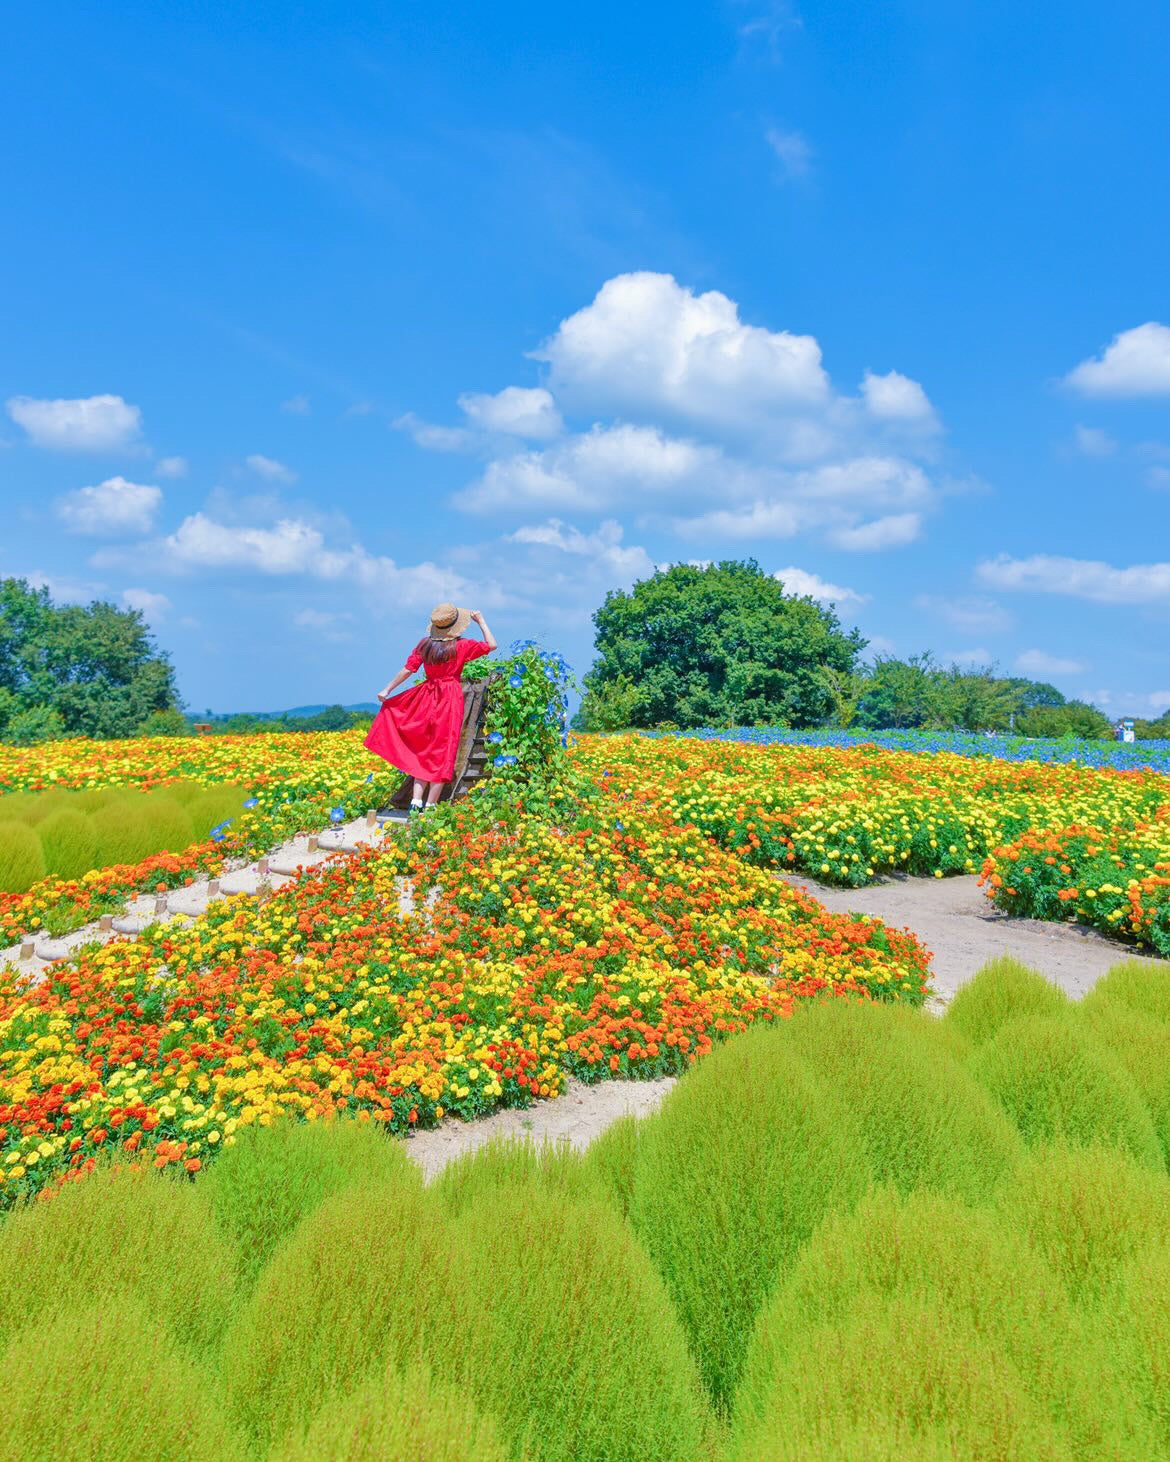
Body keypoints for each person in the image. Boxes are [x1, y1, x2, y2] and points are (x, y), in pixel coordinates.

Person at [365, 603, 497, 812]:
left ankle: (416, 801)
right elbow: (491, 645)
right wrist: (481, 621)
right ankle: (431, 804)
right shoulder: (461, 646)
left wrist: (387, 689)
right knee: (444, 750)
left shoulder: (425, 645)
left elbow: (408, 669)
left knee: (424, 749)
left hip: (427, 695)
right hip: (450, 697)